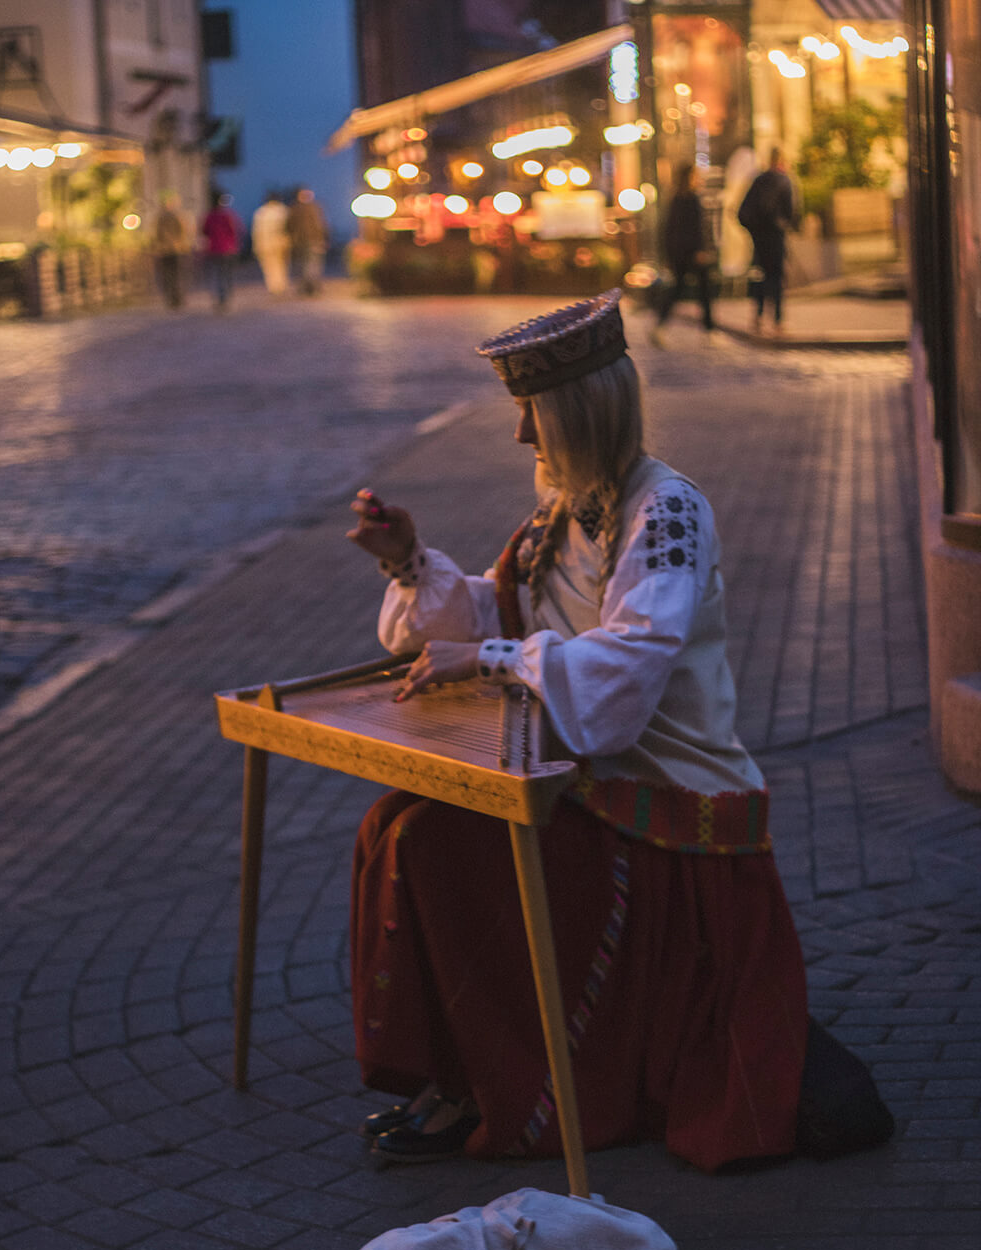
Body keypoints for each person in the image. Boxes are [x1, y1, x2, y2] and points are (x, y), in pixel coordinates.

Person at [346, 289, 893, 1172]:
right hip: (582, 771)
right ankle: (460, 1074)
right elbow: (507, 608)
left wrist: (488, 659)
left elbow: (626, 669)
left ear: (577, 412)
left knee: (436, 846)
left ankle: (510, 1093)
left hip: (661, 795)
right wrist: (408, 561)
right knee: (393, 825)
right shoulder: (560, 509)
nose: (521, 435)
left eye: (532, 413)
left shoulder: (666, 511)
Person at [651, 162, 716, 347]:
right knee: (703, 291)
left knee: (678, 289)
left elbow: (668, 229)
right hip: (692, 252)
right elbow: (695, 229)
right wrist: (699, 250)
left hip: (679, 253)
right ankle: (709, 331)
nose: (699, 179)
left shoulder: (675, 199)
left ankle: (661, 327)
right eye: (696, 175)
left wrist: (668, 254)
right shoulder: (691, 199)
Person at [737, 147, 799, 332]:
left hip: (759, 237)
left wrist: (754, 230)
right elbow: (791, 210)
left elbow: (743, 211)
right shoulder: (784, 180)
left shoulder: (759, 180)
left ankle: (758, 316)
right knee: (777, 276)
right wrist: (785, 225)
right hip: (775, 235)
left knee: (761, 275)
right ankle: (778, 320)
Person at [200, 191, 244, 311]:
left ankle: (221, 297)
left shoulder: (210, 216)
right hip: (228, 249)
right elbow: (237, 230)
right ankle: (227, 296)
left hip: (214, 249)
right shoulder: (229, 215)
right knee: (227, 273)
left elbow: (204, 231)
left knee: (218, 274)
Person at [152, 192, 192, 310]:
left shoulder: (160, 218)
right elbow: (184, 232)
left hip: (164, 250)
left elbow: (156, 234)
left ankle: (170, 298)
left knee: (167, 275)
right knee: (178, 274)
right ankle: (177, 297)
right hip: (177, 249)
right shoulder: (178, 216)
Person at [286, 187, 329, 295]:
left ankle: (307, 287)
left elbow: (289, 225)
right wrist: (324, 238)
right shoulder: (315, 207)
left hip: (300, 241)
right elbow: (322, 225)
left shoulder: (294, 208)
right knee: (313, 264)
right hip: (314, 240)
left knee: (304, 264)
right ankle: (312, 286)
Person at [251, 191, 291, 295]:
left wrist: (256, 245)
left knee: (269, 267)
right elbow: (288, 229)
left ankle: (273, 286)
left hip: (265, 244)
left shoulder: (261, 213)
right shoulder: (283, 211)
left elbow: (257, 231)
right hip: (281, 243)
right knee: (281, 265)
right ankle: (281, 285)